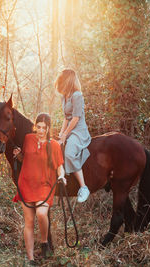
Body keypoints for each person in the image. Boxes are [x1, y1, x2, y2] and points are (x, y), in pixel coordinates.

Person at [12, 113, 65, 264]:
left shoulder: (54, 145)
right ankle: (30, 259)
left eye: (44, 128)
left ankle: (43, 242)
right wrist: (18, 156)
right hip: (26, 184)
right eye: (38, 127)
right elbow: (26, 158)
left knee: (42, 214)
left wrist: (62, 176)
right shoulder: (28, 138)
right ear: (35, 126)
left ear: (48, 128)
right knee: (28, 222)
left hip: (44, 185)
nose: (40, 130)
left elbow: (59, 167)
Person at [55, 69, 91, 203]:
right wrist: (61, 134)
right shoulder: (64, 97)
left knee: (69, 153)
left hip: (78, 130)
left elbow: (75, 118)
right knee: (56, 148)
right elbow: (66, 118)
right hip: (69, 129)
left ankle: (83, 187)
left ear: (68, 80)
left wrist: (65, 134)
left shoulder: (77, 95)